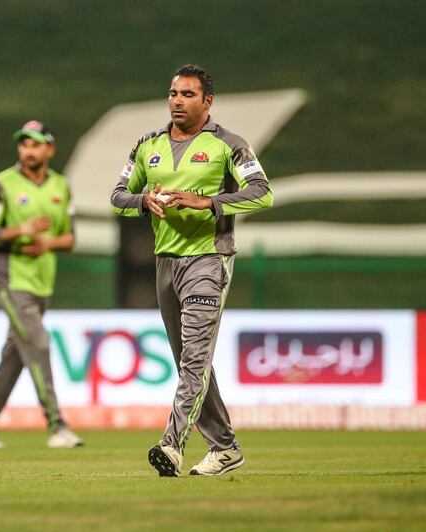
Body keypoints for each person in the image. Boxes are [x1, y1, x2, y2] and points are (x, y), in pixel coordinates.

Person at [110, 64, 274, 476]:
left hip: (209, 259)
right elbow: (117, 195)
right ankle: (225, 447)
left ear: (208, 101)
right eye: (172, 94)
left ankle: (172, 444)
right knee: (190, 361)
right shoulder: (146, 146)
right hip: (165, 261)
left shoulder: (228, 146)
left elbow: (262, 193)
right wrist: (143, 199)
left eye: (186, 94)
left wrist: (210, 202)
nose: (177, 101)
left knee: (195, 360)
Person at [0, 120, 85, 449]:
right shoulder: (1, 185)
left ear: (50, 149)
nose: (27, 150)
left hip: (42, 282)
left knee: (15, 356)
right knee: (40, 343)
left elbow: (71, 237)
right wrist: (21, 231)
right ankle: (57, 426)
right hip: (11, 280)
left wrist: (47, 243)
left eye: (34, 144)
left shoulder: (61, 186)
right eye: (23, 144)